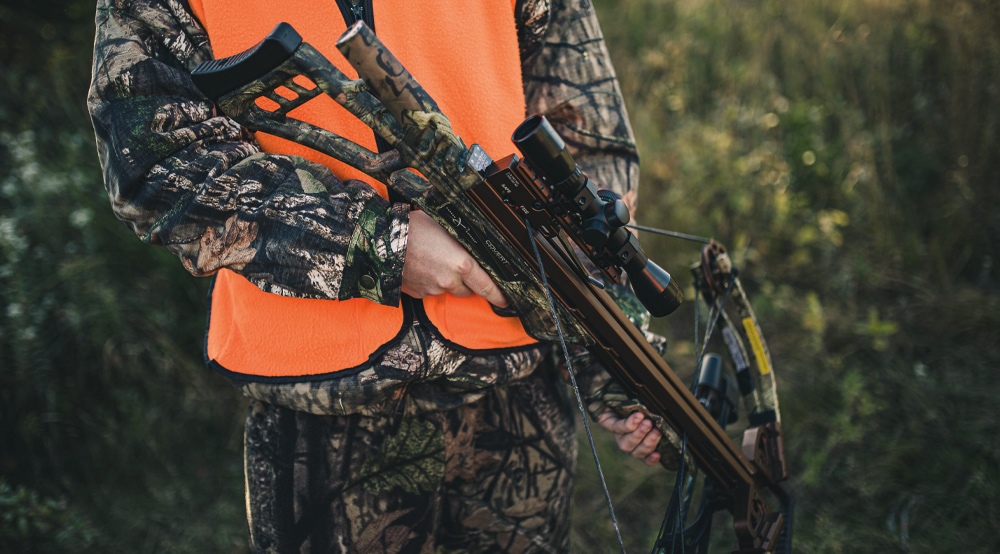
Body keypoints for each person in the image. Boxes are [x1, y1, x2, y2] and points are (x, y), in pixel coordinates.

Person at [88, 0, 665, 551]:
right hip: (323, 406)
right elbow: (153, 159)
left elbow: (580, 145)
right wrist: (381, 245)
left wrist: (605, 354)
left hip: (517, 384)